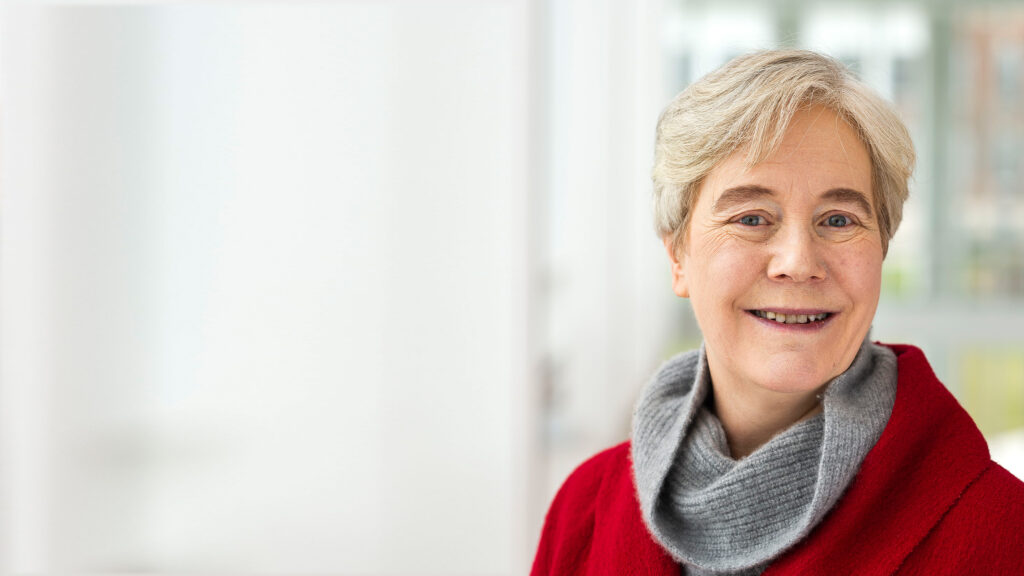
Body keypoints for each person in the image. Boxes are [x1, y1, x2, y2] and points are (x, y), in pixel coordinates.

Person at [531, 49, 1024, 575]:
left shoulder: (1003, 531)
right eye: (751, 217)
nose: (797, 262)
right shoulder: (582, 510)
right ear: (678, 256)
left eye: (838, 219)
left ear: (882, 247)